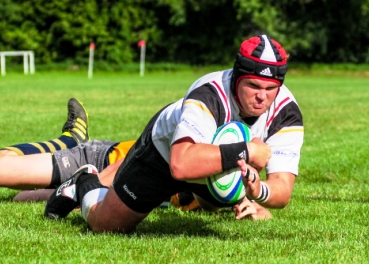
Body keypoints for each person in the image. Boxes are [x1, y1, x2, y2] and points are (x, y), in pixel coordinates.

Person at [44, 34, 304, 232]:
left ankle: (190, 197)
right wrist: (248, 150)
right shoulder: (210, 93)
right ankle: (84, 182)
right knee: (106, 225)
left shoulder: (286, 113)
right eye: (253, 86)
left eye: (271, 88)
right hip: (165, 153)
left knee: (219, 205)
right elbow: (181, 164)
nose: (262, 96)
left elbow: (283, 189)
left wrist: (259, 191)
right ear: (237, 77)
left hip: (211, 169)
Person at [0, 99, 203, 211]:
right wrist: (91, 186)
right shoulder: (200, 133)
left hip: (105, 188)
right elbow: (134, 161)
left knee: (21, 197)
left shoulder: (224, 188)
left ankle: (75, 182)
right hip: (102, 160)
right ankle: (71, 140)